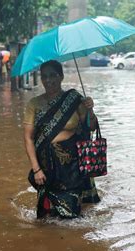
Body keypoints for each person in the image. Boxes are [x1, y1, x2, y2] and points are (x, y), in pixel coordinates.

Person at [23, 60, 101, 219]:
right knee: (46, 217)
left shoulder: (73, 99)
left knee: (71, 216)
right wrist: (36, 169)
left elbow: (90, 127)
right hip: (45, 167)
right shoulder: (34, 104)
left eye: (53, 75)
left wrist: (90, 110)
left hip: (71, 166)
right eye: (44, 76)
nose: (48, 80)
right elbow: (28, 138)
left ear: (61, 76)